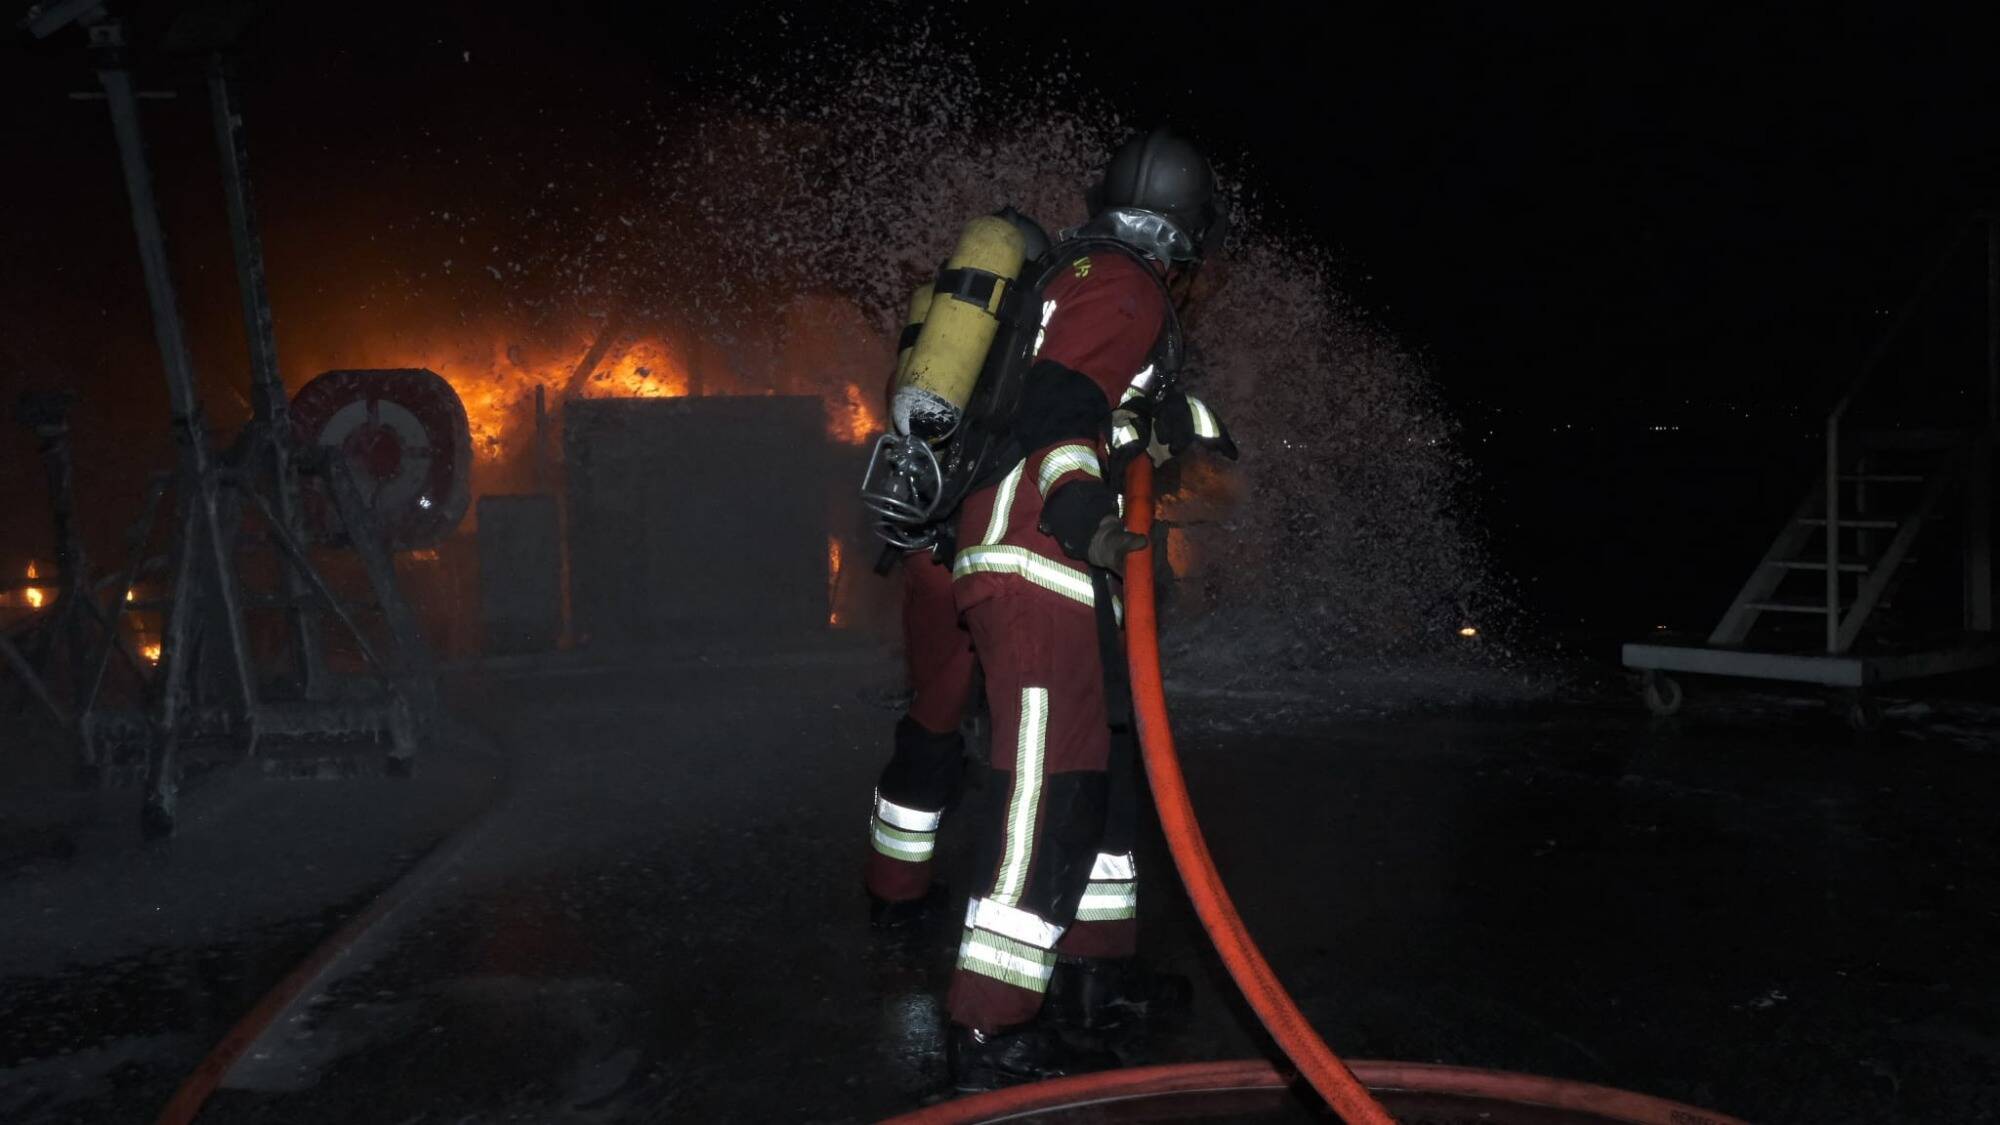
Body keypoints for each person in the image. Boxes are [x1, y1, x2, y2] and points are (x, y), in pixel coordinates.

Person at [865, 127, 1237, 1091]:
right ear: (1189, 231)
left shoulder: (1069, 278)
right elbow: (1061, 409)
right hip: (1041, 556)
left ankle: (1092, 979)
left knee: (1096, 769)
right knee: (1049, 790)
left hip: (1011, 552)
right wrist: (1088, 521)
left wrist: (1182, 426)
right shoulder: (1128, 287)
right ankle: (990, 1028)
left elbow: (1098, 405)